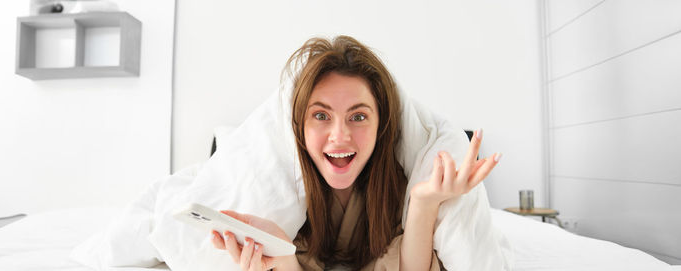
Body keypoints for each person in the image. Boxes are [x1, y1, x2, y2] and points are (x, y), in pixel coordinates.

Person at [210, 35, 502, 271]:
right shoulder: (285, 187)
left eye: (358, 117)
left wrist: (424, 202)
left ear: (381, 124)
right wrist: (281, 255)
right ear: (299, 127)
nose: (339, 137)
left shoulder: (399, 182)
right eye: (321, 116)